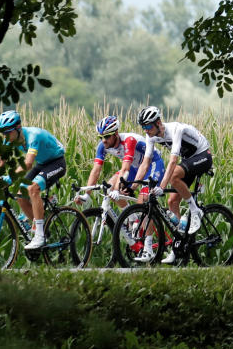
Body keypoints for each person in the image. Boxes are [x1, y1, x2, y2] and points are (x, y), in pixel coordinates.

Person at [76, 115, 166, 262]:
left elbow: (125, 167)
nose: (103, 140)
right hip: (136, 168)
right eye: (101, 137)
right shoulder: (103, 146)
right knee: (110, 190)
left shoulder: (128, 141)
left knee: (142, 201)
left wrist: (120, 189)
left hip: (152, 165)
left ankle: (148, 249)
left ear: (116, 134)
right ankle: (133, 218)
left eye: (107, 137)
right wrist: (87, 194)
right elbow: (96, 170)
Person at [133, 106, 212, 263]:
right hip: (189, 160)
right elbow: (145, 163)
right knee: (172, 201)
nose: (146, 130)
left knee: (174, 175)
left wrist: (162, 186)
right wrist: (132, 185)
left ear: (158, 123)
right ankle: (178, 248)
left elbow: (173, 161)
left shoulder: (175, 129)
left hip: (203, 155)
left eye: (148, 126)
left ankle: (195, 211)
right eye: (143, 127)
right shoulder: (151, 137)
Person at [0, 110, 67, 251]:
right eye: (3, 133)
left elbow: (28, 164)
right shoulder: (8, 139)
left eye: (8, 132)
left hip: (57, 163)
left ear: (18, 128)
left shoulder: (33, 136)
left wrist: (10, 178)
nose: (5, 136)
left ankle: (39, 236)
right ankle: (42, 230)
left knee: (32, 188)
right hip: (42, 164)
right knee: (19, 194)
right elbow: (0, 165)